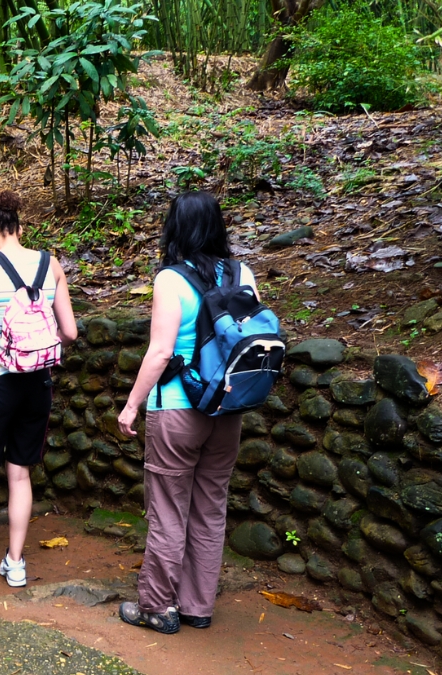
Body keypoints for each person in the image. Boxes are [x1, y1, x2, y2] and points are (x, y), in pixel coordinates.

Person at [115, 191, 257, 634]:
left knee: (168, 509)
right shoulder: (243, 273)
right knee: (210, 507)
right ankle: (198, 605)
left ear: (175, 228)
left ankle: (158, 606)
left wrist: (131, 405)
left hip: (177, 409)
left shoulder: (170, 280)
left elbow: (160, 352)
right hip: (226, 407)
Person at [0, 191, 78, 587]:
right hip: (38, 382)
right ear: (20, 227)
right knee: (20, 474)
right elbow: (70, 332)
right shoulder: (50, 263)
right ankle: (16, 563)